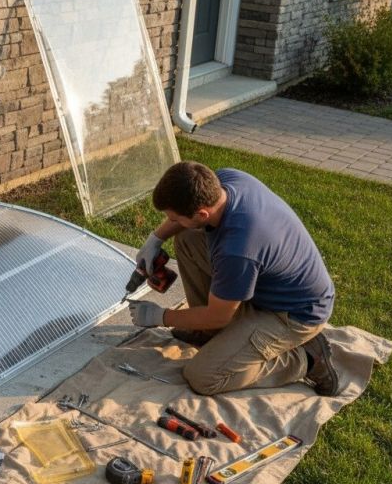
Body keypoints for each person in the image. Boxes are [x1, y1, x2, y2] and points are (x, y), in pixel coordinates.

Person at [128, 161, 340, 396]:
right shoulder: (226, 181)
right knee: (187, 236)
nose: (172, 223)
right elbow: (187, 223)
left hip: (294, 315)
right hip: (269, 284)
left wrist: (161, 316)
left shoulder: (237, 250)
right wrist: (155, 239)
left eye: (175, 219)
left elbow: (218, 316)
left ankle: (307, 359)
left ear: (202, 213)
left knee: (203, 377)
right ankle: (207, 334)